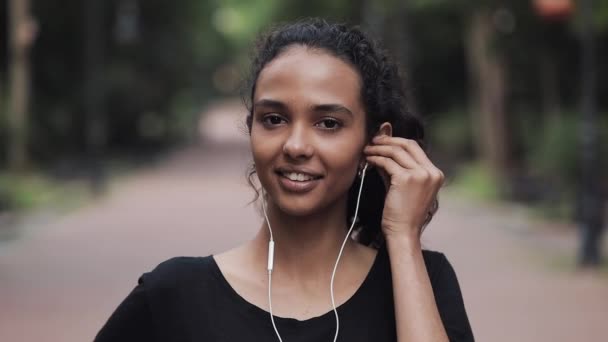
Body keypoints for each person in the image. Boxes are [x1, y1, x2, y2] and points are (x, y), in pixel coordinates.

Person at [95, 18, 474, 342]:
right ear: (252, 130)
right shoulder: (173, 295)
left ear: (374, 143)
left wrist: (403, 238)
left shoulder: (423, 280)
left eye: (328, 123)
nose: (295, 146)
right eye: (274, 119)